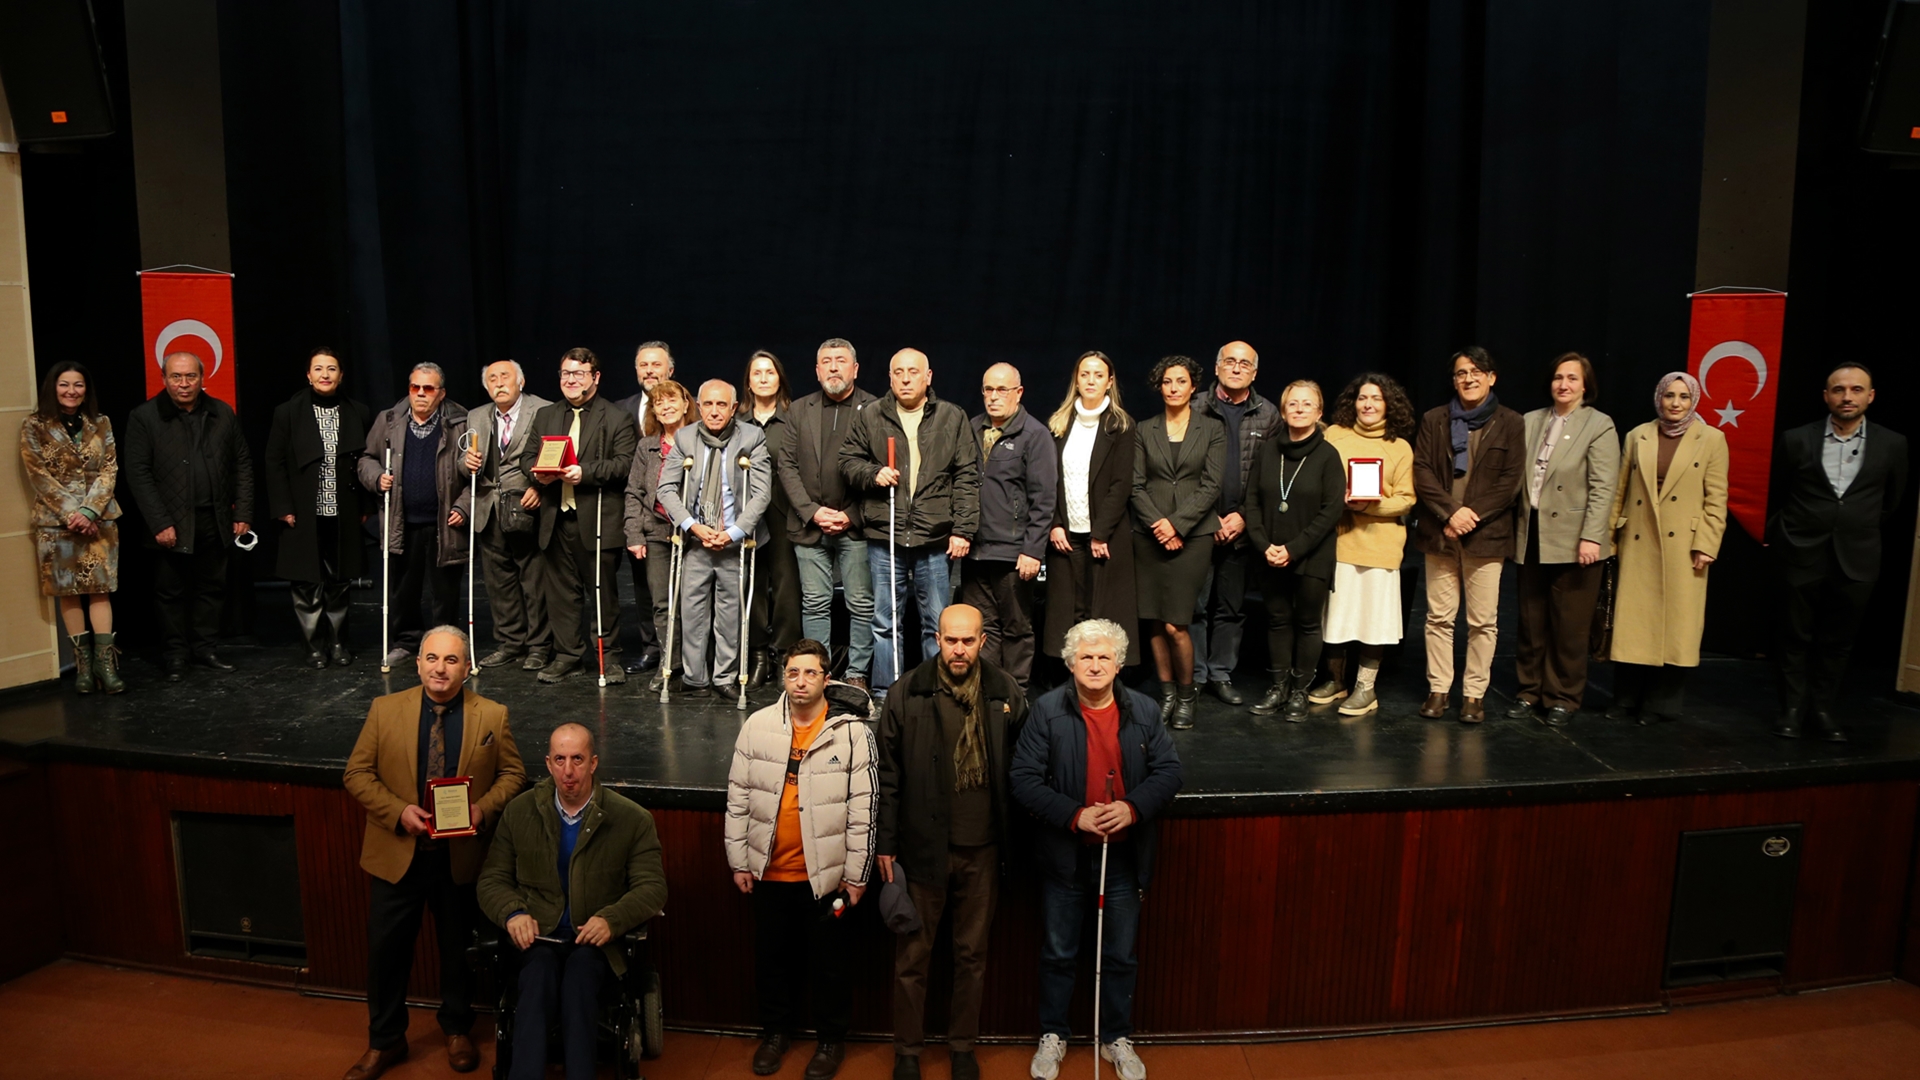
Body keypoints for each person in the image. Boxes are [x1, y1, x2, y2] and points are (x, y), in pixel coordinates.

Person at [340, 625, 526, 1080]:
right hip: (397, 854)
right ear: (419, 662)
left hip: (459, 858)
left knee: (456, 951)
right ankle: (384, 1041)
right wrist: (397, 810)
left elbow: (514, 774)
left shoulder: (492, 715)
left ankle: (457, 1029)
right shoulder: (385, 709)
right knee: (386, 954)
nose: (440, 668)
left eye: (451, 660)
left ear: (467, 667)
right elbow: (356, 773)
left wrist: (483, 809)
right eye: (431, 658)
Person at [1010, 619, 1181, 1080]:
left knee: (1121, 955)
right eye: (1085, 657)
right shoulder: (1045, 711)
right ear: (1069, 663)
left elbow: (1169, 773)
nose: (1095, 665)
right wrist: (1074, 814)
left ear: (1120, 664)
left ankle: (1116, 1037)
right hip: (1064, 856)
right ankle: (1054, 1035)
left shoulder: (1144, 710)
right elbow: (1022, 780)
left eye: (1104, 656)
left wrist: (1132, 807)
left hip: (1124, 858)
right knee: (1058, 952)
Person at [875, 605, 1030, 1080]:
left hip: (983, 851)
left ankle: (963, 1046)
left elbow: (1022, 774)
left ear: (982, 641)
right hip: (923, 849)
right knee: (913, 959)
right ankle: (907, 1052)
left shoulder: (1006, 693)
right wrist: (886, 842)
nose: (958, 649)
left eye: (968, 641)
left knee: (972, 957)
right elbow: (889, 775)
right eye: (950, 640)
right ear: (936, 639)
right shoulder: (908, 692)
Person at [477, 723, 668, 1080]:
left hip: (594, 942)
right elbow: (492, 880)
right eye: (560, 760)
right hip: (538, 939)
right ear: (548, 764)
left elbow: (652, 888)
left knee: (580, 981)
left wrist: (612, 919)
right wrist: (513, 913)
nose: (568, 771)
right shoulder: (519, 813)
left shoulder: (631, 819)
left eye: (578, 759)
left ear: (593, 763)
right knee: (536, 980)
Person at [725, 639, 876, 1080]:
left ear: (826, 679)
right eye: (793, 672)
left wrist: (856, 875)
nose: (801, 681)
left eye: (810, 673)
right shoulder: (757, 726)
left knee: (830, 967)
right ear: (784, 677)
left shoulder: (851, 732)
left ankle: (831, 1043)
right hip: (768, 874)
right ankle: (775, 1034)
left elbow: (864, 809)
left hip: (825, 880)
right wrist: (738, 861)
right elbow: (738, 797)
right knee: (772, 961)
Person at [1769, 363, 1909, 741]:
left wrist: (1853, 525)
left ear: (1870, 396)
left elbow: (1891, 502)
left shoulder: (1893, 444)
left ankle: (1823, 709)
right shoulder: (1797, 439)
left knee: (1837, 641)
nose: (1847, 396)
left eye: (1856, 389)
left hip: (1858, 555)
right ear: (1826, 396)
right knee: (1794, 636)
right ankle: (1792, 710)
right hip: (1802, 550)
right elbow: (1778, 492)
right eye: (1839, 389)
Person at [839, 348, 980, 694]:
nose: (905, 378)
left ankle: (940, 690)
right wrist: (873, 473)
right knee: (886, 622)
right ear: (889, 378)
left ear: (928, 377)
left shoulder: (952, 416)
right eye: (898, 372)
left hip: (934, 538)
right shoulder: (870, 415)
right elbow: (847, 461)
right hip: (885, 535)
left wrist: (963, 529)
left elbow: (966, 476)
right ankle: (889, 691)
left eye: (913, 372)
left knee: (936, 622)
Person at [1605, 372, 1729, 725]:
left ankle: (1660, 705)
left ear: (1694, 401)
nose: (1675, 403)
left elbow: (1717, 499)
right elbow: (1619, 491)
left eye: (1683, 397)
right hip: (1638, 540)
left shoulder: (1712, 439)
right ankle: (1626, 699)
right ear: (1658, 398)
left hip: (1685, 548)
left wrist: (1707, 543)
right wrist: (1610, 538)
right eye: (1669, 395)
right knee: (1633, 626)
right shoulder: (1638, 435)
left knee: (1676, 627)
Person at [124, 349, 254, 682]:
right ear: (164, 379)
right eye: (176, 377)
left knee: (211, 588)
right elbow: (138, 473)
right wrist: (159, 522)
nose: (184, 383)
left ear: (202, 378)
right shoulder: (145, 417)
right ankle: (176, 657)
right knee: (170, 593)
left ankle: (206, 650)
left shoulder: (222, 413)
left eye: (190, 376)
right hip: (170, 522)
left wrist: (244, 511)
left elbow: (242, 464)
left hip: (215, 519)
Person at [1412, 346, 1525, 723]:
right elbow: (1423, 471)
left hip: (1486, 536)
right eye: (1461, 372)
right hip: (1441, 532)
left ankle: (1474, 694)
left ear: (1492, 378)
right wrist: (1451, 512)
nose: (1469, 378)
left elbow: (1510, 483)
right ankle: (1439, 689)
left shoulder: (1511, 422)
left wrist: (1469, 517)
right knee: (1438, 618)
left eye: (1477, 371)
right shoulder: (1434, 419)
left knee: (1482, 622)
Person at [1507, 354, 1619, 726]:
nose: (1564, 384)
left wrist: (1592, 537)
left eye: (1572, 378)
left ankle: (1564, 697)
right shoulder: (1530, 421)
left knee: (1569, 626)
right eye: (1558, 377)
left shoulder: (1599, 425)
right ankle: (1529, 691)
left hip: (1576, 540)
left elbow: (1604, 488)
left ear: (1585, 385)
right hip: (1531, 534)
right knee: (1531, 620)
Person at [523, 348, 639, 684]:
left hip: (597, 519)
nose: (570, 380)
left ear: (595, 377)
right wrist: (537, 474)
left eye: (578, 374)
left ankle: (608, 657)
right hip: (555, 518)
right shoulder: (546, 415)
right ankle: (568, 656)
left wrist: (583, 473)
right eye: (565, 374)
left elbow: (624, 464)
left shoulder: (615, 417)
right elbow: (529, 456)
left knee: (602, 593)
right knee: (560, 595)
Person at [658, 379, 773, 697]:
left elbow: (761, 494)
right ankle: (695, 678)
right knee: (692, 611)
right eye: (707, 404)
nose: (714, 411)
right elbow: (666, 489)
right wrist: (692, 526)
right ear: (698, 405)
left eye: (722, 404)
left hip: (734, 541)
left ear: (734, 408)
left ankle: (725, 677)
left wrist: (733, 533)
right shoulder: (684, 437)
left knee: (731, 612)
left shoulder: (752, 437)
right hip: (696, 539)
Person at [1313, 374, 1418, 717]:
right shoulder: (1334, 436)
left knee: (1373, 620)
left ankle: (1365, 688)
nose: (1368, 404)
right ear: (1352, 403)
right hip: (1339, 540)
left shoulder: (1399, 447)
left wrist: (1369, 505)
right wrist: (1336, 501)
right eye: (1362, 398)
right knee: (1337, 618)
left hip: (1380, 545)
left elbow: (1406, 500)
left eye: (1376, 398)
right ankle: (1335, 680)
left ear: (1389, 405)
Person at [1131, 355, 1226, 730]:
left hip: (1194, 536)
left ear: (1193, 387)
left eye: (1180, 382)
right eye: (1167, 382)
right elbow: (1136, 484)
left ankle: (1187, 694)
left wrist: (1177, 525)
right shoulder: (1143, 429)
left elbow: (1212, 485)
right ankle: (1167, 694)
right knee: (1154, 621)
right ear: (1160, 387)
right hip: (1149, 535)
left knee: (1177, 623)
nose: (1173, 388)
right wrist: (1158, 524)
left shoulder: (1211, 429)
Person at [778, 338, 879, 690]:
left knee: (861, 603)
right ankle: (817, 672)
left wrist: (850, 514)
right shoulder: (799, 410)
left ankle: (857, 673)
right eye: (826, 361)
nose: (833, 367)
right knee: (815, 603)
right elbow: (787, 465)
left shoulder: (875, 409)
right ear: (817, 370)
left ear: (855, 368)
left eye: (840, 360)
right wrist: (812, 511)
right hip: (809, 525)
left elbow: (878, 468)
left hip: (856, 526)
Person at [1240, 381, 1345, 719]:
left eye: (1307, 404)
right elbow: (1252, 501)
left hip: (1311, 554)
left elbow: (1331, 511)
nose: (1299, 409)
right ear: (1283, 411)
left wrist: (1294, 548)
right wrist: (1263, 544)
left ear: (1319, 412)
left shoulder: (1328, 455)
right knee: (1277, 620)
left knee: (1308, 622)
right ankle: (1278, 687)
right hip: (1269, 551)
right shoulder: (1268, 451)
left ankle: (1300, 691)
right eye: (1293, 404)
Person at [21, 361, 125, 693]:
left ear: (86, 390)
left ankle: (105, 666)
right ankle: (83, 668)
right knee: (69, 594)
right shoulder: (34, 425)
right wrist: (72, 515)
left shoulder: (100, 422)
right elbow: (38, 475)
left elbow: (109, 470)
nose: (71, 391)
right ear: (53, 387)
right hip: (56, 524)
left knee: (99, 590)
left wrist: (90, 512)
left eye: (78, 385)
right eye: (64, 384)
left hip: (99, 520)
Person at [358, 363, 472, 668]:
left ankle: (444, 647)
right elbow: (366, 458)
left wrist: (463, 507)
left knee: (444, 593)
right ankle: (407, 642)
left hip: (444, 523)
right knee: (403, 590)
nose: (420, 394)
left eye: (428, 388)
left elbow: (476, 477)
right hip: (401, 521)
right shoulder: (390, 419)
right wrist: (376, 476)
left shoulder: (460, 421)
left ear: (441, 393)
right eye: (415, 388)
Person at [267, 347, 372, 668]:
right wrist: (283, 506)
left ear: (341, 376)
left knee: (339, 581)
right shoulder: (288, 412)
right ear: (308, 375)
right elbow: (275, 461)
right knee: (306, 582)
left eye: (331, 369)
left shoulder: (358, 411)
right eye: (318, 369)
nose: (325, 374)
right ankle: (314, 647)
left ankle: (339, 643)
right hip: (303, 510)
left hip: (343, 509)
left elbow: (368, 462)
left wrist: (364, 505)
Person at [1190, 341, 1278, 706]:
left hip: (1242, 528)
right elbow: (1184, 471)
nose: (1237, 368)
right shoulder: (1195, 407)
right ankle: (1193, 675)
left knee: (1231, 608)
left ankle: (1220, 673)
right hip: (1197, 526)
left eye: (1245, 364)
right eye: (1230, 361)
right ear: (1217, 367)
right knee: (1194, 606)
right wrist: (1208, 518)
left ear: (1254, 373)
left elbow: (1270, 475)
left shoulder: (1268, 414)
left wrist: (1243, 516)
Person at [961, 363, 1057, 689]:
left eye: (1002, 390)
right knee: (984, 628)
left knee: (1017, 626)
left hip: (1015, 554)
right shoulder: (971, 429)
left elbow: (1044, 499)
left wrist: (1032, 550)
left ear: (1019, 393)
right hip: (975, 552)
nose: (993, 396)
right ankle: (986, 692)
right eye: (988, 389)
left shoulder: (1035, 435)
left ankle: (1015, 694)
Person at [1043, 352, 1139, 669]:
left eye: (1098, 375)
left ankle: (1100, 672)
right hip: (1066, 535)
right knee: (1071, 607)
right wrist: (1055, 523)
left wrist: (1100, 533)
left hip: (1103, 536)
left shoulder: (1121, 426)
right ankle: (1069, 674)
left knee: (1102, 610)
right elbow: (1050, 480)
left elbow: (1121, 484)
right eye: (1085, 374)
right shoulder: (1059, 424)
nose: (1091, 381)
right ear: (1076, 380)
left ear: (1109, 381)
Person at [463, 360, 553, 670]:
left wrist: (540, 488)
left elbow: (555, 455)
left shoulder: (543, 410)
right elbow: (464, 464)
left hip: (527, 503)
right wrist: (467, 464)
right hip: (488, 507)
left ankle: (540, 645)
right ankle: (511, 642)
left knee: (534, 578)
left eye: (505, 377)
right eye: (492, 379)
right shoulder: (475, 416)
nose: (499, 383)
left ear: (521, 381)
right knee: (498, 581)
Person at [623, 379, 693, 691]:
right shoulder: (646, 446)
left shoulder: (699, 441)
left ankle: (697, 666)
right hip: (657, 533)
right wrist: (634, 534)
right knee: (663, 604)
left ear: (686, 404)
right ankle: (669, 664)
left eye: (671, 400)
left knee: (694, 602)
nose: (665, 407)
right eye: (658, 402)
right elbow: (634, 493)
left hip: (695, 534)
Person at [742, 350, 804, 688]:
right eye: (757, 373)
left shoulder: (794, 417)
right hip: (746, 515)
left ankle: (785, 656)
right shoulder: (737, 422)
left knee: (785, 587)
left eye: (770, 372)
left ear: (780, 378)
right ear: (748, 382)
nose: (764, 378)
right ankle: (758, 656)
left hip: (784, 512)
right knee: (751, 584)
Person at [617, 341, 676, 673]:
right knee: (645, 588)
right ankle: (652, 648)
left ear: (670, 370)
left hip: (679, 522)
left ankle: (683, 654)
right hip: (636, 515)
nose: (650, 371)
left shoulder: (687, 407)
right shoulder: (620, 409)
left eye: (656, 364)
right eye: (643, 365)